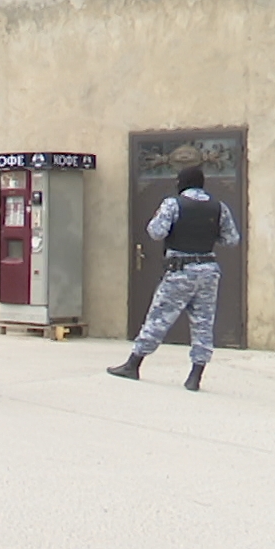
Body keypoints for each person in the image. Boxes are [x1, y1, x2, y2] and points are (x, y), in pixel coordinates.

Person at [108, 165, 240, 390]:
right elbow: (232, 239)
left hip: (181, 270)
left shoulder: (173, 204)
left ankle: (133, 364)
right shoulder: (219, 208)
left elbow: (156, 232)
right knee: (203, 324)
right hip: (208, 271)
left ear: (182, 182)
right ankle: (195, 376)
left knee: (158, 318)